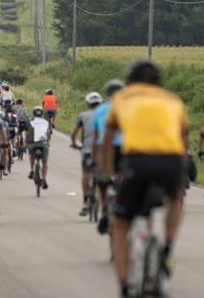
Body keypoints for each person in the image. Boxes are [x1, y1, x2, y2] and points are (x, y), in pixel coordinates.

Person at [101, 60, 188, 297]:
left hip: (137, 161)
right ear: (159, 82)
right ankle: (168, 247)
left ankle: (124, 285)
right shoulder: (172, 100)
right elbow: (184, 138)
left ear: (130, 80)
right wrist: (182, 171)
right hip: (170, 160)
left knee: (120, 224)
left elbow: (108, 140)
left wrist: (108, 172)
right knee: (176, 199)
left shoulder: (122, 98)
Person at [93, 79, 124, 235]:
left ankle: (105, 210)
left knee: (102, 181)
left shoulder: (100, 110)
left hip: (106, 150)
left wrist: (94, 158)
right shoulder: (130, 108)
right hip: (127, 150)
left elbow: (96, 137)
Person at [71, 92, 103, 216]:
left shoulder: (83, 116)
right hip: (102, 151)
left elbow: (74, 134)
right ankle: (101, 203)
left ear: (88, 103)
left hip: (87, 150)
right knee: (102, 176)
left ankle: (85, 202)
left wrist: (74, 144)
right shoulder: (105, 115)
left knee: (86, 173)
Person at [27, 107, 51, 189]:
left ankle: (32, 170)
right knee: (45, 162)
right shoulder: (46, 122)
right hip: (43, 144)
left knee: (31, 154)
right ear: (42, 114)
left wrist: (26, 142)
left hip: (32, 144)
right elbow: (48, 133)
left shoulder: (31, 122)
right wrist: (48, 141)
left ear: (34, 114)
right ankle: (44, 179)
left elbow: (28, 133)